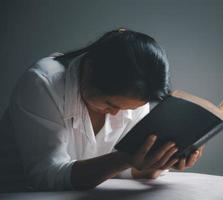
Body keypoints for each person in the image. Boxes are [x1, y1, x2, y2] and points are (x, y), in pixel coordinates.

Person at [0, 28, 205, 191]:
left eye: (129, 109)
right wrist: (124, 157)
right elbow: (45, 176)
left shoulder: (135, 96)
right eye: (110, 104)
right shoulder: (43, 83)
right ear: (89, 70)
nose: (118, 114)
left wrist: (156, 164)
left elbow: (119, 172)